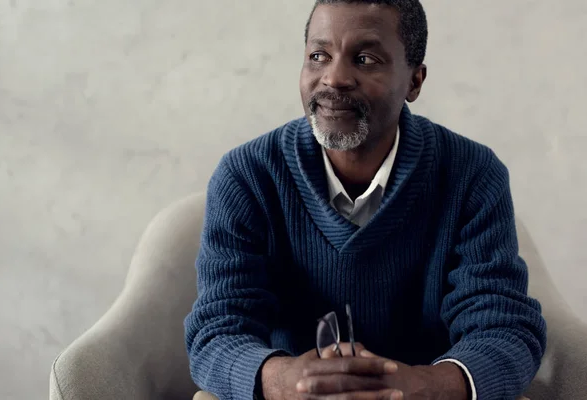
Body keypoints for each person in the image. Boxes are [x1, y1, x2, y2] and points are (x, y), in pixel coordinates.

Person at [184, 0, 547, 399]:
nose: (334, 78)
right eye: (318, 56)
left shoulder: (472, 175)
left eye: (366, 58)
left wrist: (422, 386)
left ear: (415, 81)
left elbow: (504, 328)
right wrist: (286, 381)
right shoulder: (247, 176)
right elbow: (217, 331)